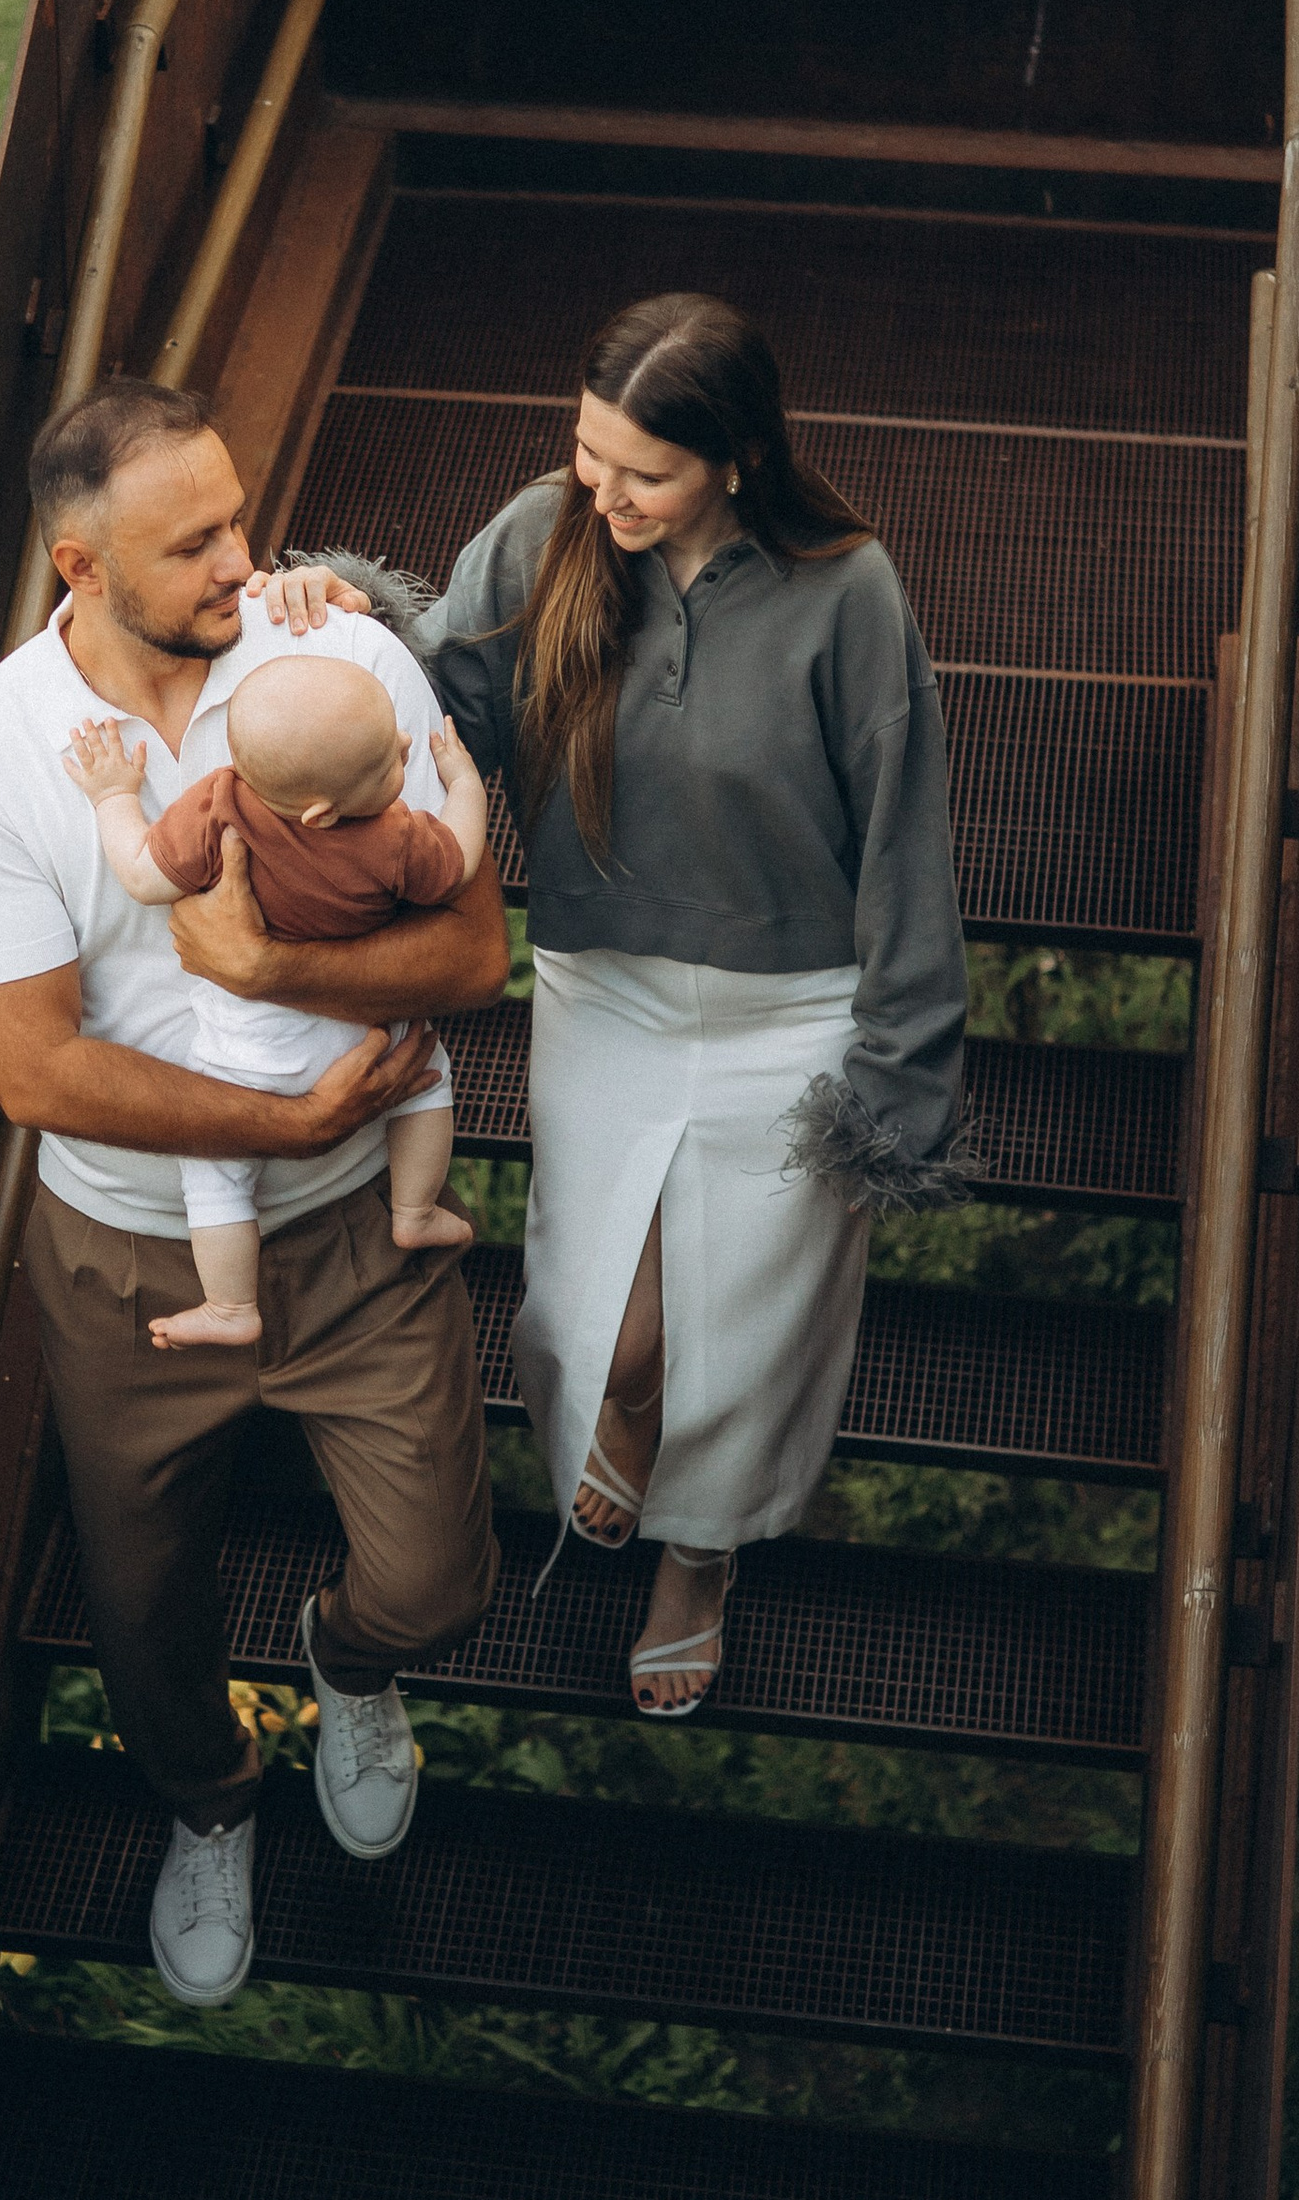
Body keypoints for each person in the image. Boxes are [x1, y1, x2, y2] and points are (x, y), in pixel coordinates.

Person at [255, 293, 971, 1718]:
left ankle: (700, 1557)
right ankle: (622, 1435)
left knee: (754, 1326)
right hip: (611, 994)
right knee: (608, 1326)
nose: (606, 490)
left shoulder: (849, 592)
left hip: (799, 1010)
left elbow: (905, 836)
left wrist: (901, 1062)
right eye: (592, 452)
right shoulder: (541, 535)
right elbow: (434, 696)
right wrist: (346, 633)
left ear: (739, 461)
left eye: (644, 470)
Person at [0, 378, 506, 2008]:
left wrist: (271, 984)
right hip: (126, 1254)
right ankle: (208, 1800)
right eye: (197, 545)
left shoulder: (339, 666)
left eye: (245, 518)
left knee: (439, 1576)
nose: (247, 562)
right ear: (78, 571)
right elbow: (36, 1074)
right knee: (142, 1590)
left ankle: (351, 1665)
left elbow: (473, 947)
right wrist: (282, 1110)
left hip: (354, 1243)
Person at [61, 653, 486, 1349]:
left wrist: (113, 797)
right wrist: (463, 783)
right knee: (425, 1080)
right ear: (321, 814)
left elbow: (141, 877)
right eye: (388, 764)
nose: (406, 750)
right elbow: (462, 863)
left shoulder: (218, 802)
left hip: (251, 1054)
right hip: (363, 1032)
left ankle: (230, 1305)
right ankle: (414, 1209)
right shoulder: (396, 837)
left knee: (215, 1173)